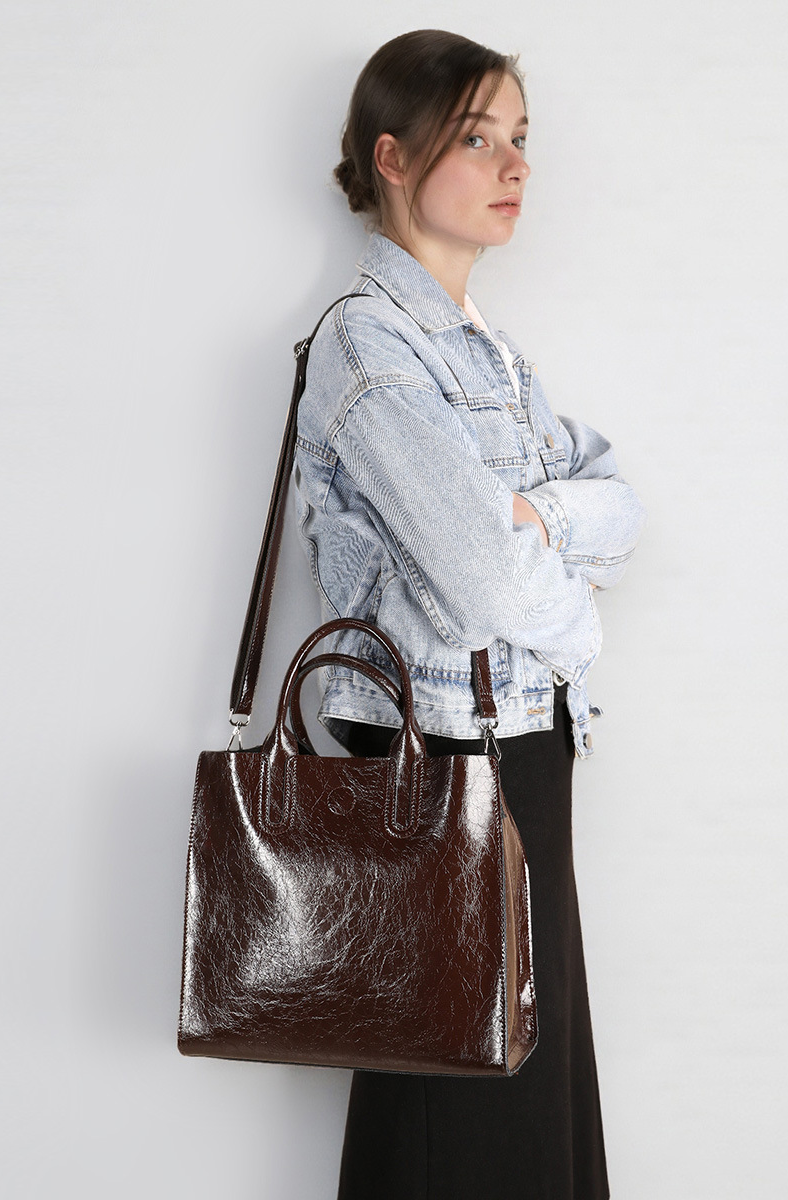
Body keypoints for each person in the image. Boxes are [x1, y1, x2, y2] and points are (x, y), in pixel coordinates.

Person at [293, 29, 645, 1200]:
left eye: (521, 138)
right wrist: (573, 617)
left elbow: (622, 505)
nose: (516, 165)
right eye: (479, 138)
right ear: (393, 157)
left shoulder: (491, 356)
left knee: (517, 1084)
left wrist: (533, 515)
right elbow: (486, 583)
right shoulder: (369, 345)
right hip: (446, 756)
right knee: (463, 1095)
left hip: (520, 743)